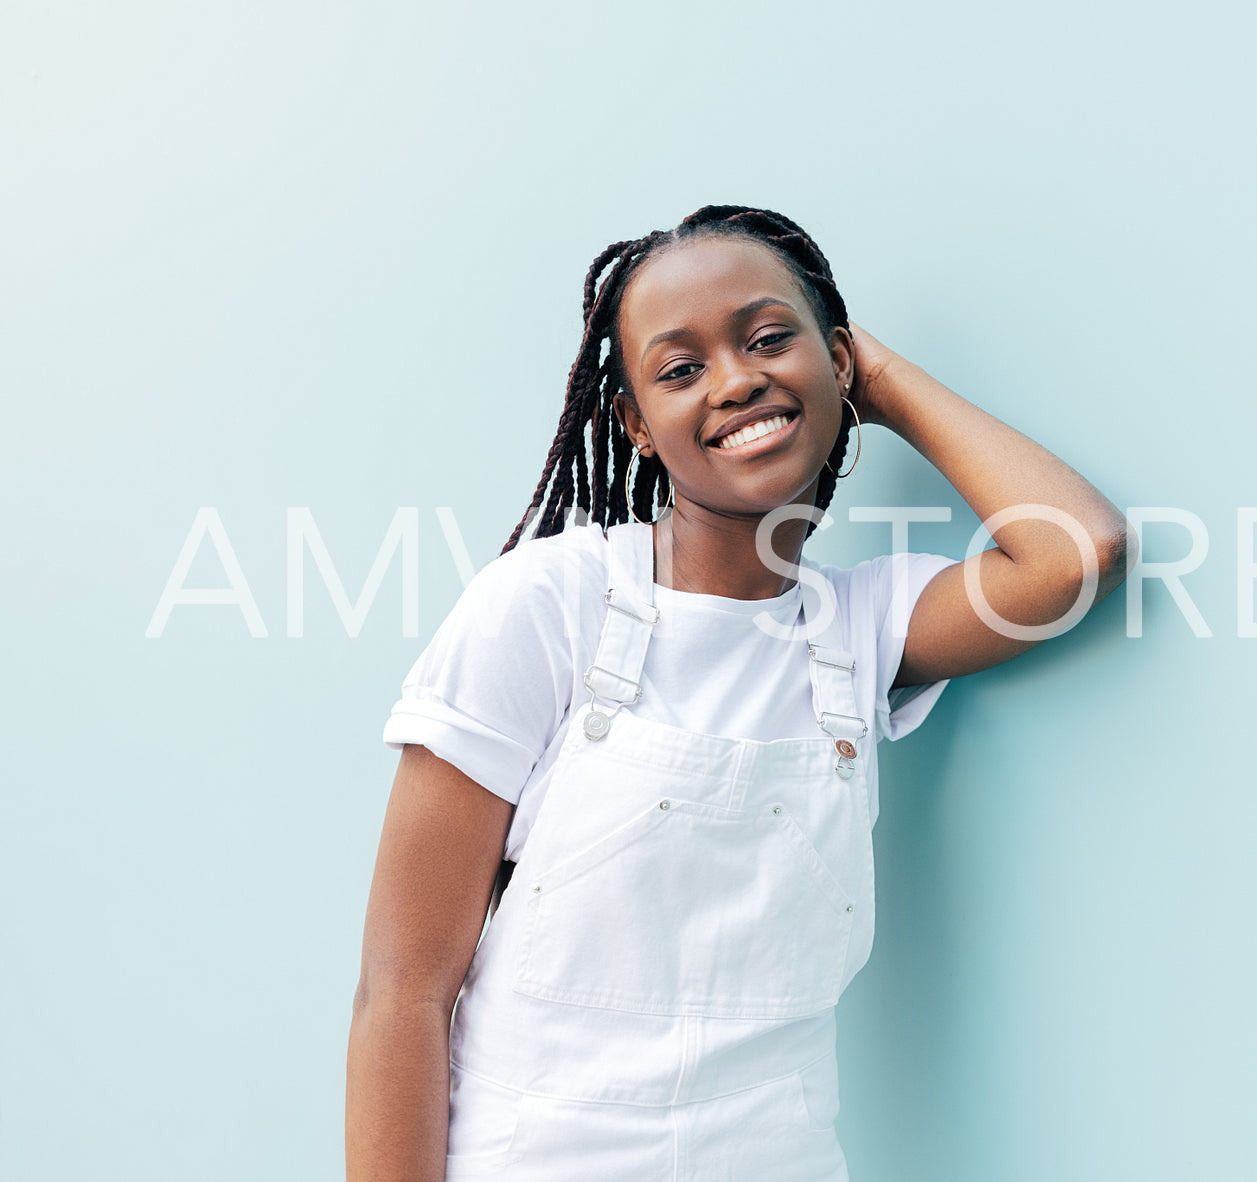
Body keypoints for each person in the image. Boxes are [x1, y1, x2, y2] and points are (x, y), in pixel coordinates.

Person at [346, 204, 1131, 1180]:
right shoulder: (551, 604)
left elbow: (1074, 551)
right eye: (680, 370)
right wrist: (817, 367)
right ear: (634, 424)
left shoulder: (857, 627)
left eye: (767, 339)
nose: (735, 379)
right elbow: (402, 990)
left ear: (835, 359)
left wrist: (873, 378)